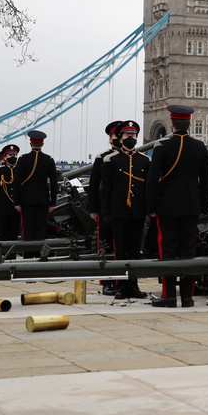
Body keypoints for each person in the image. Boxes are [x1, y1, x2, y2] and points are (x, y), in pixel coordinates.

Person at [147, 105, 208, 308]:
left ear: (172, 123)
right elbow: (207, 179)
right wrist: (202, 205)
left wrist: (151, 206)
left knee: (167, 250)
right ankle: (187, 297)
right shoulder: (199, 147)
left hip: (167, 207)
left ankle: (168, 297)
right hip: (191, 207)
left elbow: (152, 180)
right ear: (190, 123)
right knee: (188, 251)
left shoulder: (162, 147)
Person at [101, 120, 149, 299]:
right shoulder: (111, 160)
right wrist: (105, 211)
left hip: (137, 212)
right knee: (120, 250)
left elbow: (146, 189)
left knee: (135, 250)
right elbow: (106, 188)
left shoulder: (145, 160)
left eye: (133, 135)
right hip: (118, 211)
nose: (131, 138)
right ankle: (121, 285)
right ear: (120, 139)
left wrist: (148, 211)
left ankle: (134, 285)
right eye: (127, 135)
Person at [88, 121, 121, 295]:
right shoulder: (102, 158)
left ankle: (126, 280)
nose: (119, 139)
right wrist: (93, 209)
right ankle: (108, 281)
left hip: (126, 208)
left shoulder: (134, 157)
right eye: (116, 136)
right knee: (105, 245)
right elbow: (94, 186)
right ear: (110, 138)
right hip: (105, 208)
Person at [12, 130, 57, 255]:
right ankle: (39, 255)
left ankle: (29, 255)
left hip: (27, 200)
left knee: (28, 229)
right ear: (42, 144)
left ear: (31, 143)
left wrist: (17, 201)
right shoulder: (48, 159)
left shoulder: (23, 159)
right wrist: (52, 203)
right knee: (40, 228)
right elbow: (54, 183)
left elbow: (17, 182)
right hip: (43, 200)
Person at [0, 145, 20, 241]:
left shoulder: (20, 170)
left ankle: (13, 255)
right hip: (2, 207)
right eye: (10, 155)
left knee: (14, 235)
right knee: (3, 235)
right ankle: (3, 255)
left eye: (15, 154)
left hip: (16, 207)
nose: (13, 157)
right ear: (5, 156)